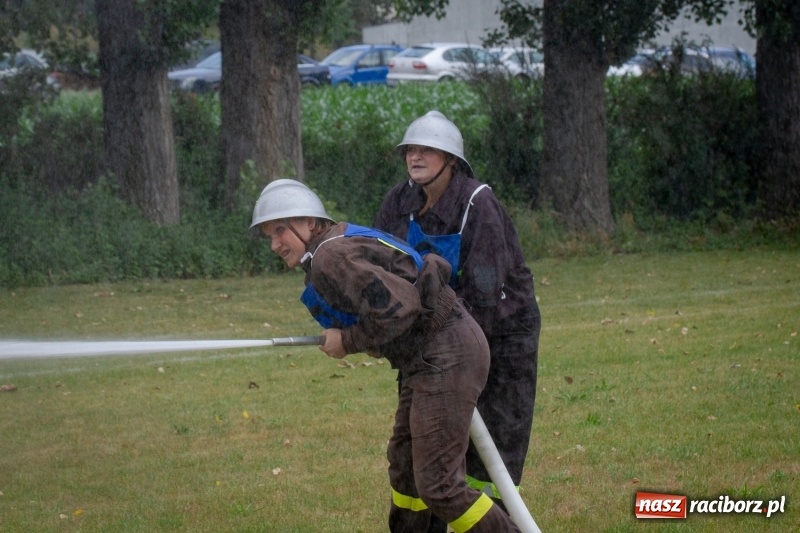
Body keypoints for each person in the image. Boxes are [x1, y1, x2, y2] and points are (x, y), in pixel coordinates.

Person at [250, 179, 522, 533]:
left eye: (281, 230)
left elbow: (401, 309)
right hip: (426, 357)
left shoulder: (330, 256)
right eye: (269, 235)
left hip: (445, 351)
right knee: (406, 470)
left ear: (309, 223)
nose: (274, 244)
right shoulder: (333, 246)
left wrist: (346, 340)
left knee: (440, 485)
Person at [374, 111, 541, 530]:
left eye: (427, 149)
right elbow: (381, 268)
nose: (415, 157)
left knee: (488, 455)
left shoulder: (478, 205)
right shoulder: (398, 203)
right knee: (417, 450)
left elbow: (485, 293)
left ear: (452, 159)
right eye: (410, 149)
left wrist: (450, 356)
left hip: (500, 337)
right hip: (426, 341)